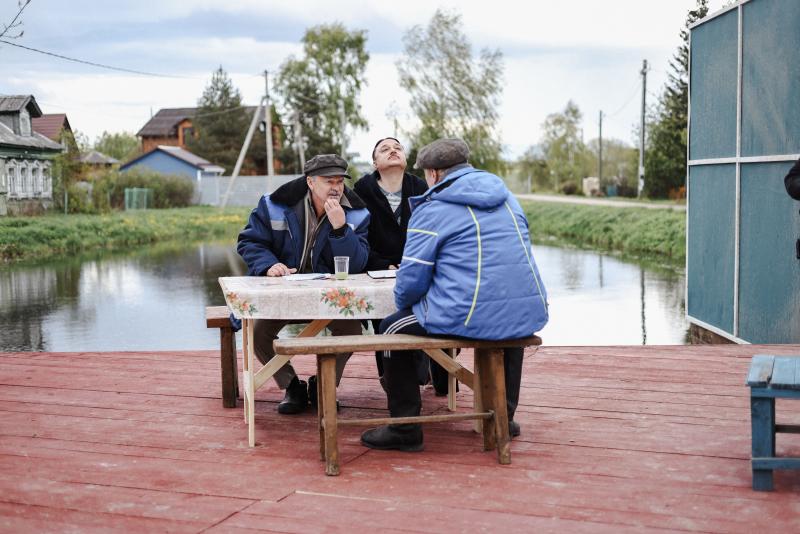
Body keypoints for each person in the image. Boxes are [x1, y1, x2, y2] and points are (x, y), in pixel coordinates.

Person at [360, 138, 549, 451]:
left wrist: (413, 304)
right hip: (528, 311)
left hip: (468, 313)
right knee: (511, 323)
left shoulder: (433, 208)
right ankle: (504, 416)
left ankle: (405, 428)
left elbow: (410, 281)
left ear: (433, 174)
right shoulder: (508, 199)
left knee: (390, 327)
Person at [237, 154, 370, 414]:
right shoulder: (273, 205)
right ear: (310, 182)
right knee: (258, 335)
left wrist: (341, 228)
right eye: (328, 180)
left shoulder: (358, 212)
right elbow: (250, 242)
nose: (336, 187)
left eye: (340, 181)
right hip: (284, 294)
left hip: (331, 297)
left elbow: (357, 265)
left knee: (353, 330)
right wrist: (268, 265)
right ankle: (291, 386)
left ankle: (323, 385)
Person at [353, 137, 440, 389]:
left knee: (423, 313)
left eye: (397, 148)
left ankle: (432, 372)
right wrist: (383, 264)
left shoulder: (421, 187)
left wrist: (415, 264)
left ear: (404, 159)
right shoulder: (361, 191)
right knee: (384, 318)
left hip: (418, 267)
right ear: (375, 162)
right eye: (384, 149)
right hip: (377, 270)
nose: (392, 150)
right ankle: (391, 379)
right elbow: (359, 237)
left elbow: (433, 231)